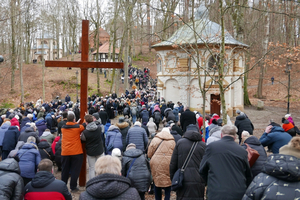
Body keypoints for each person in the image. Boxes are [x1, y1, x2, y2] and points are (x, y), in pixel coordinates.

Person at [199, 125, 252, 200]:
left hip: (216, 190)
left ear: (221, 135)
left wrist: (211, 182)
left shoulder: (212, 147)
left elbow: (202, 169)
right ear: (235, 137)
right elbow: (248, 174)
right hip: (237, 191)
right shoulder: (242, 151)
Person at [170, 130, 206, 199]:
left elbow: (173, 163)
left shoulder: (180, 143)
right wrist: (204, 181)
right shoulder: (203, 145)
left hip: (182, 179)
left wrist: (174, 178)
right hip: (199, 180)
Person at [147, 127, 175, 200]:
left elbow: (149, 154)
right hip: (168, 163)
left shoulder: (155, 139)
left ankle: (158, 198)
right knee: (168, 182)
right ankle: (167, 198)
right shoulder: (172, 141)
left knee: (157, 181)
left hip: (156, 163)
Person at [61, 113, 85, 192]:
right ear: (74, 119)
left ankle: (63, 186)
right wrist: (85, 117)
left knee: (65, 170)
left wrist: (75, 123)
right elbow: (84, 125)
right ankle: (73, 186)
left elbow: (71, 125)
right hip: (76, 152)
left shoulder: (63, 128)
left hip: (65, 152)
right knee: (75, 170)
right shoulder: (78, 127)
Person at [81, 114, 104, 180]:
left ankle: (92, 182)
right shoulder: (99, 128)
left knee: (92, 168)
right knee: (100, 167)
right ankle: (101, 180)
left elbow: (83, 140)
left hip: (90, 152)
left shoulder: (85, 132)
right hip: (99, 150)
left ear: (86, 122)